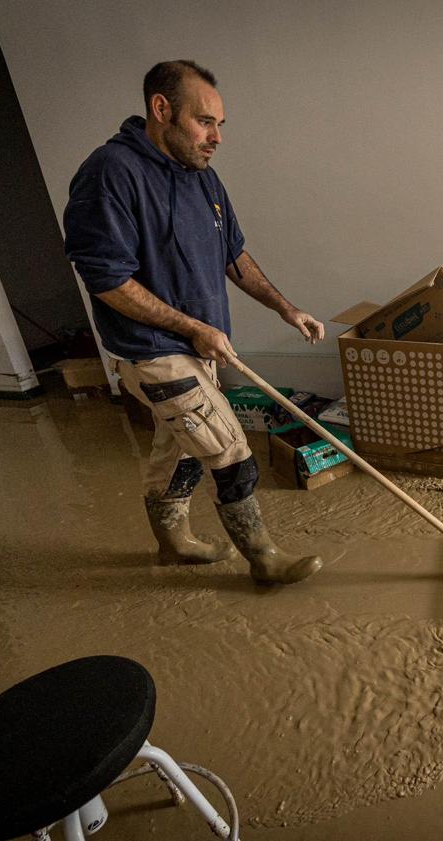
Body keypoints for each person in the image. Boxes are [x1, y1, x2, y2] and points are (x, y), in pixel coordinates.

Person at [63, 59, 323, 584]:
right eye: (206, 121)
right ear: (162, 109)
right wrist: (192, 328)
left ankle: (174, 544)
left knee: (178, 447)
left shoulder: (203, 176)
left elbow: (235, 257)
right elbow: (107, 280)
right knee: (228, 447)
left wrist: (284, 306)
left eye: (220, 124)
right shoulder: (110, 173)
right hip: (151, 349)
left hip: (198, 345)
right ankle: (265, 559)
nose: (217, 137)